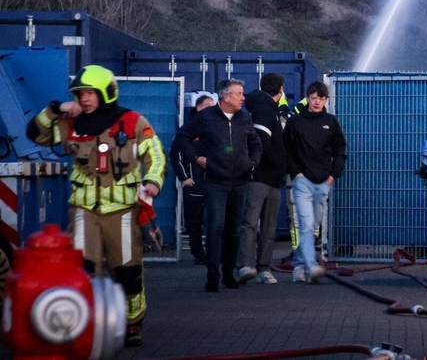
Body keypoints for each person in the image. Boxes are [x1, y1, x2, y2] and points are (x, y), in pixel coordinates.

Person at [27, 65, 166, 347]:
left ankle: (132, 323)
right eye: (80, 94)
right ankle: (86, 323)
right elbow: (36, 134)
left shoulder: (133, 122)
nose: (85, 99)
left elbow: (156, 156)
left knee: (127, 270)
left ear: (106, 93)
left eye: (90, 93)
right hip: (83, 211)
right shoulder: (70, 123)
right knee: (84, 269)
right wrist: (56, 108)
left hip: (123, 211)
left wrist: (152, 181)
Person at [175, 79, 261, 293]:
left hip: (240, 182)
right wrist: (196, 158)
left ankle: (229, 274)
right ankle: (212, 276)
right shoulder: (206, 117)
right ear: (226, 96)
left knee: (233, 231)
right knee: (215, 227)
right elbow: (182, 137)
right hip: (214, 182)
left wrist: (251, 163)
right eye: (239, 93)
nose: (243, 98)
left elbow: (256, 144)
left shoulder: (245, 118)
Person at [284, 81, 346, 284]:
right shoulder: (295, 122)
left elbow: (340, 150)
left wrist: (332, 176)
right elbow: (287, 149)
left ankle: (299, 263)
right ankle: (311, 266)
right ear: (307, 99)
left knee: (313, 223)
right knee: (305, 223)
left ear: (326, 100)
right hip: (302, 180)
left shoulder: (331, 122)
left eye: (321, 98)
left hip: (323, 181)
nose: (317, 101)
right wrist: (296, 173)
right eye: (313, 98)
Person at [233, 74, 287, 285]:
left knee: (265, 225)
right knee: (253, 223)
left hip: (272, 178)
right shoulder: (265, 111)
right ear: (280, 90)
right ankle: (247, 266)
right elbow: (262, 143)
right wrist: (281, 164)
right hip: (261, 177)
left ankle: (259, 267)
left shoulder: (268, 111)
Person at [169, 93, 215, 264]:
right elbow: (175, 155)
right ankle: (198, 254)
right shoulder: (188, 129)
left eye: (212, 107)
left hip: (214, 183)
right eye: (207, 107)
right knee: (194, 223)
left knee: (216, 221)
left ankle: (215, 253)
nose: (211, 110)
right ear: (198, 108)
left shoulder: (217, 127)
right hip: (194, 183)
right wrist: (184, 177)